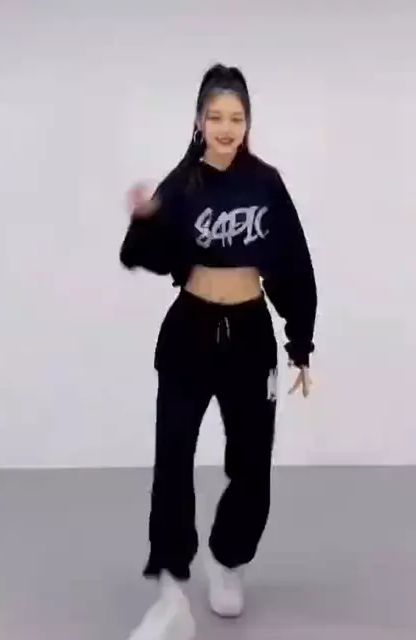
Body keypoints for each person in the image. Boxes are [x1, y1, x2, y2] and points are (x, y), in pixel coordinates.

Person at [119, 63, 317, 640]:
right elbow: (143, 255)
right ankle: (170, 587)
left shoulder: (266, 184)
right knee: (173, 458)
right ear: (199, 121)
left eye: (237, 117)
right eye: (216, 116)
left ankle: (228, 559)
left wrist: (300, 342)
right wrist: (145, 220)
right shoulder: (182, 183)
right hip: (189, 332)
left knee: (252, 460)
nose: (226, 127)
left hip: (250, 334)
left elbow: (294, 262)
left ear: (247, 122)